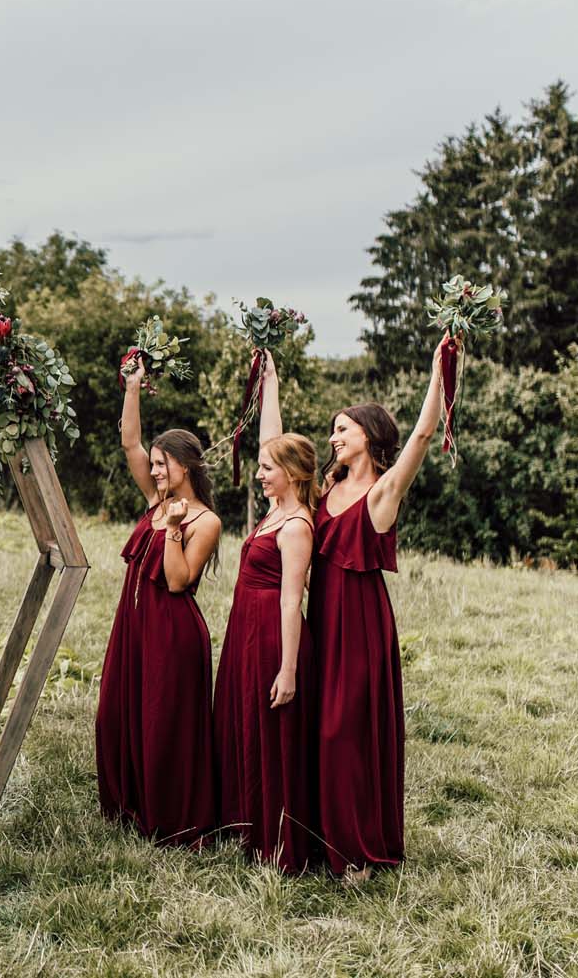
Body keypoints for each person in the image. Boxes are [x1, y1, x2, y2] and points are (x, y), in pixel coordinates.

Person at [307, 337, 455, 880]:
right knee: (318, 727)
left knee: (345, 732)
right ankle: (325, 840)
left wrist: (440, 372)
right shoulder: (328, 487)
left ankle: (360, 851)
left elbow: (421, 434)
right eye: (333, 430)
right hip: (321, 619)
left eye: (342, 429)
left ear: (367, 436)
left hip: (360, 623)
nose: (333, 437)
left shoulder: (382, 494)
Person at [95, 360, 221, 848]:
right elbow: (129, 441)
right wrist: (131, 386)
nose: (152, 470)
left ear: (183, 466)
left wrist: (172, 529)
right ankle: (129, 803)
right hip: (133, 625)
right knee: (117, 712)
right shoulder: (154, 497)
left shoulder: (204, 521)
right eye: (152, 464)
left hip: (172, 632)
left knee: (163, 721)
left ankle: (169, 817)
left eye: (161, 464)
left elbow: (176, 581)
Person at [213, 352, 316, 871]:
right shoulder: (276, 508)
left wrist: (289, 669)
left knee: (271, 732)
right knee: (244, 722)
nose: (259, 474)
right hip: (245, 627)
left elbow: (291, 600)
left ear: (292, 475)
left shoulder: (296, 525)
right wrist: (270, 381)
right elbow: (269, 440)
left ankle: (277, 841)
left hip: (273, 635)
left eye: (267, 470)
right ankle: (247, 819)